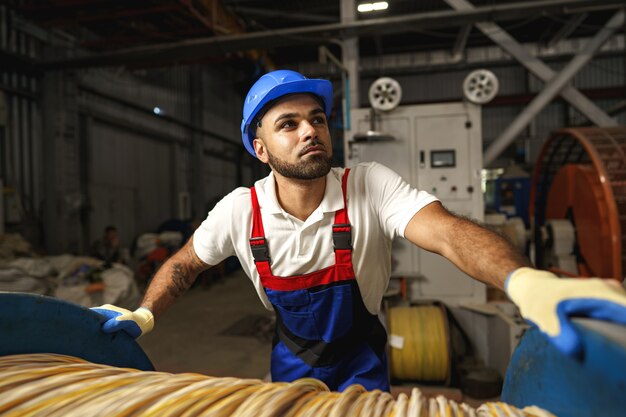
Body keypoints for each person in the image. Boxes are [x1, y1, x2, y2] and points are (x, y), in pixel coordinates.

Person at [92, 70, 626, 392]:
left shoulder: (368, 186)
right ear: (260, 149)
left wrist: (523, 280)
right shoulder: (239, 211)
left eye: (317, 119)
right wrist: (145, 312)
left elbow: (445, 232)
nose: (310, 132)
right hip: (292, 358)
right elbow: (185, 263)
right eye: (289, 124)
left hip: (364, 356)